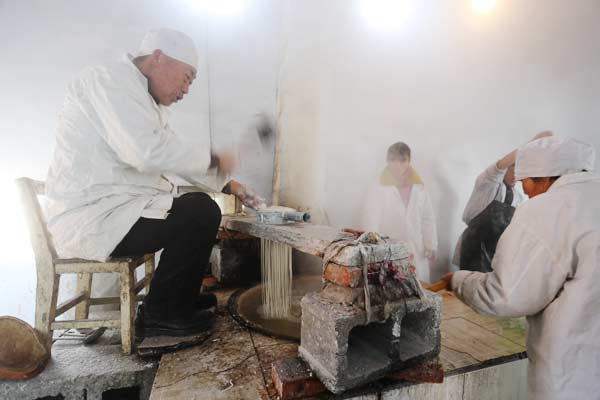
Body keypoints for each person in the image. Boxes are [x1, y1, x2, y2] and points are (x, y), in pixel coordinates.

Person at [45, 28, 261, 337]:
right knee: (199, 211)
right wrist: (216, 159)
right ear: (158, 57)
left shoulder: (140, 101)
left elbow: (168, 150)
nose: (186, 89)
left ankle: (178, 299)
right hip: (93, 217)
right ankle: (163, 312)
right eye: (187, 77)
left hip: (115, 210)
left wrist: (229, 183)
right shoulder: (107, 80)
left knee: (196, 207)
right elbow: (146, 152)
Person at [441, 136, 598, 400]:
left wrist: (458, 281)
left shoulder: (546, 208)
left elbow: (506, 296)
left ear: (544, 178)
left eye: (527, 181)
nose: (525, 191)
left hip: (573, 373)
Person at [454, 131, 552, 271]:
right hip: (475, 246)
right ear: (506, 168)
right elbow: (500, 166)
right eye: (513, 170)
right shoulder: (488, 183)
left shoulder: (519, 198)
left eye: (520, 172)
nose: (516, 175)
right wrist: (531, 144)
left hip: (498, 250)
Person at [362, 142, 437, 283]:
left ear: (409, 161)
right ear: (387, 161)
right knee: (392, 288)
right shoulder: (377, 187)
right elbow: (371, 219)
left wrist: (430, 244)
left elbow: (427, 217)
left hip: (415, 248)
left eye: (402, 160)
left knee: (419, 288)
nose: (397, 165)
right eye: (393, 160)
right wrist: (373, 251)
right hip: (388, 249)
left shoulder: (419, 187)